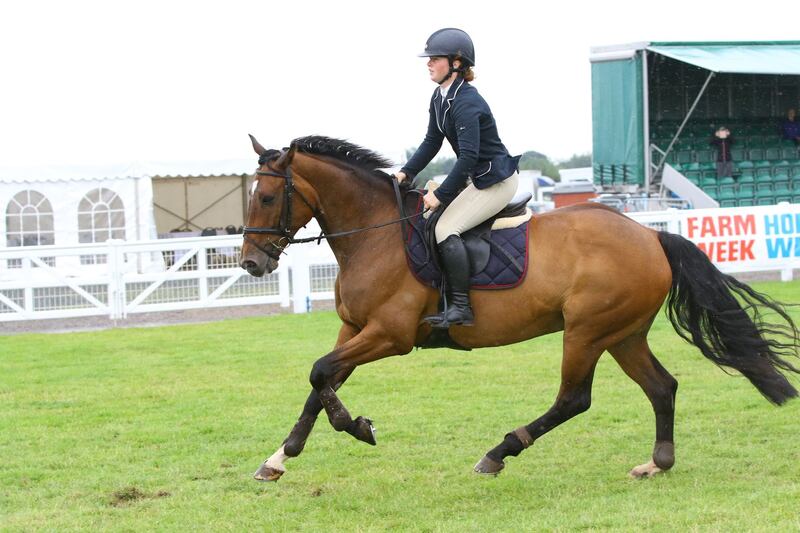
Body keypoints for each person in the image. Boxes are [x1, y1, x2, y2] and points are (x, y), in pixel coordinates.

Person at [394, 28, 520, 328]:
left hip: (495, 181)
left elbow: (468, 157)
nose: (428, 63)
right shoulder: (440, 97)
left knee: (445, 228)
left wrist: (440, 195)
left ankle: (461, 307)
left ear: (457, 63)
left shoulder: (466, 102)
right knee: (427, 220)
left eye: (435, 59)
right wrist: (405, 172)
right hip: (476, 178)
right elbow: (431, 142)